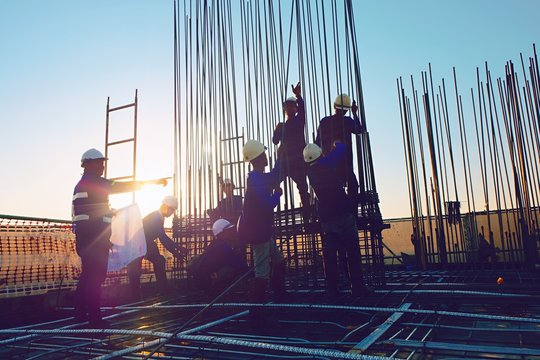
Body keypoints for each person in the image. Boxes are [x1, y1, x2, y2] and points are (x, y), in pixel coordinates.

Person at [72, 148, 167, 326]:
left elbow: (90, 212)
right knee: (95, 279)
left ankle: (79, 314)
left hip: (87, 240)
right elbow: (122, 186)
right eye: (99, 162)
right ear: (89, 164)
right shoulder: (93, 182)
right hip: (93, 242)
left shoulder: (84, 184)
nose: (102, 165)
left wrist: (108, 214)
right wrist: (152, 182)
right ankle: (94, 319)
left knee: (87, 277)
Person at [303, 142, 369, 297]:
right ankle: (357, 287)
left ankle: (332, 289)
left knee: (330, 254)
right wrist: (337, 143)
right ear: (320, 155)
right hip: (342, 214)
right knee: (352, 251)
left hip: (327, 218)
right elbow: (340, 151)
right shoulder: (324, 164)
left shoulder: (310, 172)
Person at [238, 140, 287, 305]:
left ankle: (280, 295)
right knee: (262, 273)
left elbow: (274, 176)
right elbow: (269, 204)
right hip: (259, 233)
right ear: (259, 157)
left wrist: (280, 157)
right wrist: (278, 194)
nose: (267, 156)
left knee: (279, 260)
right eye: (264, 154)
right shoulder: (256, 180)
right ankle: (257, 314)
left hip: (263, 230)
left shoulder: (257, 177)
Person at [127, 195, 188, 298]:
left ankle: (163, 290)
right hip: (137, 243)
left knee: (159, 261)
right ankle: (136, 295)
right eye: (172, 209)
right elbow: (162, 237)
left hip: (146, 242)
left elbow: (162, 236)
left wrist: (177, 249)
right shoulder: (156, 217)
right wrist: (177, 251)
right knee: (135, 269)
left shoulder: (158, 217)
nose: (172, 212)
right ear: (165, 206)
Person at [315, 94, 364, 213]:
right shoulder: (347, 121)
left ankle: (336, 213)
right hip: (343, 164)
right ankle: (352, 214)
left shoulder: (326, 121)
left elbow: (317, 143)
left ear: (334, 106)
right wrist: (355, 114)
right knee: (352, 186)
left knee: (332, 190)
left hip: (331, 164)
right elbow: (360, 130)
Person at [272, 82, 310, 221]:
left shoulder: (299, 121)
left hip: (298, 160)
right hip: (284, 160)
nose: (288, 108)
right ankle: (267, 212)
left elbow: (303, 111)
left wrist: (298, 96)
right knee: (272, 182)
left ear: (295, 108)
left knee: (302, 188)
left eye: (291, 105)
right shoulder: (282, 126)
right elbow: (275, 141)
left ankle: (307, 215)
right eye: (286, 106)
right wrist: (277, 129)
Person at [188, 219, 248, 297]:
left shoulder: (215, 244)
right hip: (209, 282)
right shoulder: (222, 247)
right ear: (221, 233)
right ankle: (219, 289)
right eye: (228, 230)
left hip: (204, 281)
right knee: (232, 269)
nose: (231, 232)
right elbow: (237, 264)